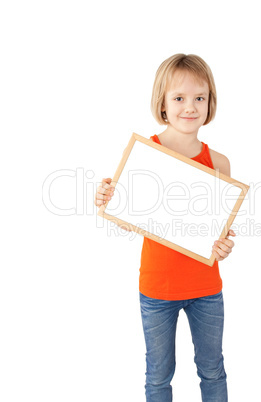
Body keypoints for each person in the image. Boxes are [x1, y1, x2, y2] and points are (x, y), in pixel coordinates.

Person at [95, 53, 236, 402]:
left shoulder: (219, 163)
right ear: (162, 103)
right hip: (157, 288)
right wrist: (107, 201)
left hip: (206, 286)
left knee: (212, 369)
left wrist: (224, 246)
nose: (190, 107)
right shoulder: (144, 153)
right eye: (179, 98)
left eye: (199, 98)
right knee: (158, 376)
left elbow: (219, 232)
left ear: (209, 103)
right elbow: (128, 219)